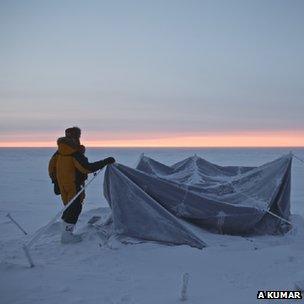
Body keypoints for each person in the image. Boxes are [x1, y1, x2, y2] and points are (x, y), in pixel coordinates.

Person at [48, 127, 115, 243]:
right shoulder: (74, 153)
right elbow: (86, 168)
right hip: (74, 186)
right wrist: (105, 161)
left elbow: (51, 168)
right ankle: (67, 236)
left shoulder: (59, 151)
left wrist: (56, 182)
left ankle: (65, 231)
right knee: (75, 208)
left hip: (63, 186)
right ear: (76, 137)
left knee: (68, 207)